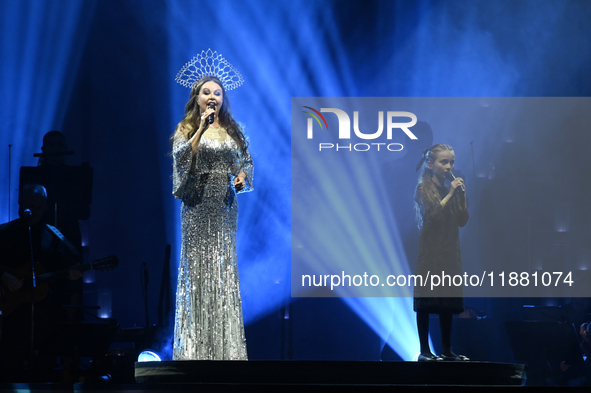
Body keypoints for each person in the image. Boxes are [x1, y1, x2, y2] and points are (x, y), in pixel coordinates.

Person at [170, 73, 253, 360]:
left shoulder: (234, 130)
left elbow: (246, 162)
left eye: (218, 93)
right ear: (197, 98)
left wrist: (241, 176)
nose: (213, 97)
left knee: (222, 270)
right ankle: (195, 352)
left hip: (224, 206)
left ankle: (224, 351)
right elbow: (181, 159)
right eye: (207, 92)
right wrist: (201, 130)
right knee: (197, 273)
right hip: (196, 204)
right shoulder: (186, 127)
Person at [0, 184, 82, 381]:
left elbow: (70, 264)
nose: (35, 211)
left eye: (39, 206)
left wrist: (72, 274)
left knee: (44, 369)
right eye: (30, 205)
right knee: (10, 367)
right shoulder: (5, 232)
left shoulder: (52, 235)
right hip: (12, 315)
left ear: (45, 207)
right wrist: (3, 275)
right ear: (21, 204)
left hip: (45, 315)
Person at [413, 144, 469, 362]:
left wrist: (462, 196)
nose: (449, 166)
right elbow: (433, 214)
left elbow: (463, 220)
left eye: (452, 162)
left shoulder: (452, 189)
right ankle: (424, 351)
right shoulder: (423, 188)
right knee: (427, 301)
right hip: (431, 252)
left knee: (447, 299)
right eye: (444, 162)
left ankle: (447, 350)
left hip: (449, 252)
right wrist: (451, 193)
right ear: (430, 164)